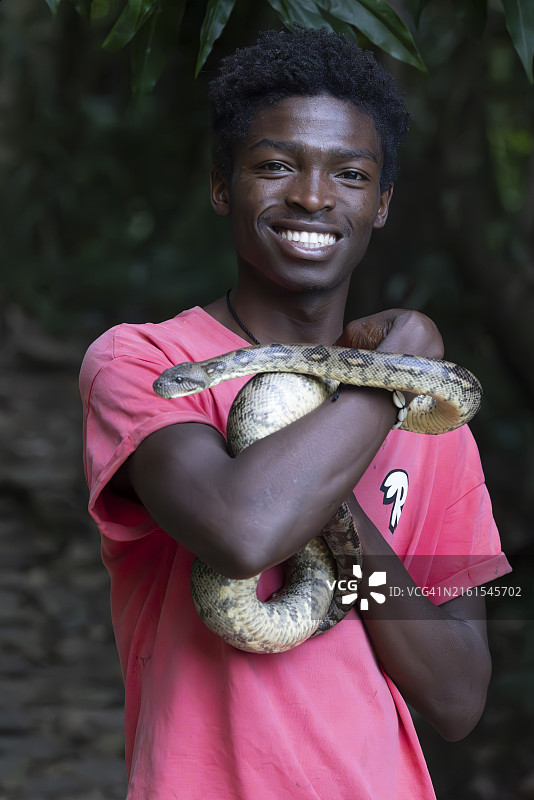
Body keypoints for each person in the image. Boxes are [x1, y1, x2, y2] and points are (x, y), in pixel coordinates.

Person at [80, 27, 511, 800]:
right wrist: (395, 371)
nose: (312, 195)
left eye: (349, 174)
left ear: (380, 206)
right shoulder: (143, 363)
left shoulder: (433, 424)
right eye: (275, 165)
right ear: (221, 185)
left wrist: (342, 516)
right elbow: (242, 532)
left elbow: (456, 697)